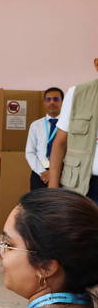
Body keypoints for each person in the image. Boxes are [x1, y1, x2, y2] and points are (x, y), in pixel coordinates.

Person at [49, 59, 98, 204]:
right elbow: (60, 143)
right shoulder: (77, 93)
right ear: (96, 64)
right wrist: (53, 190)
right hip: (80, 188)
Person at [25, 87, 63, 190]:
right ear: (44, 102)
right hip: (40, 174)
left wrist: (54, 172)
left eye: (56, 99)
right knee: (38, 205)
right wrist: (42, 172)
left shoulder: (69, 125)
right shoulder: (36, 125)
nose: (52, 102)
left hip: (63, 173)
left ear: (62, 102)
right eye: (48, 99)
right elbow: (30, 152)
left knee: (59, 204)